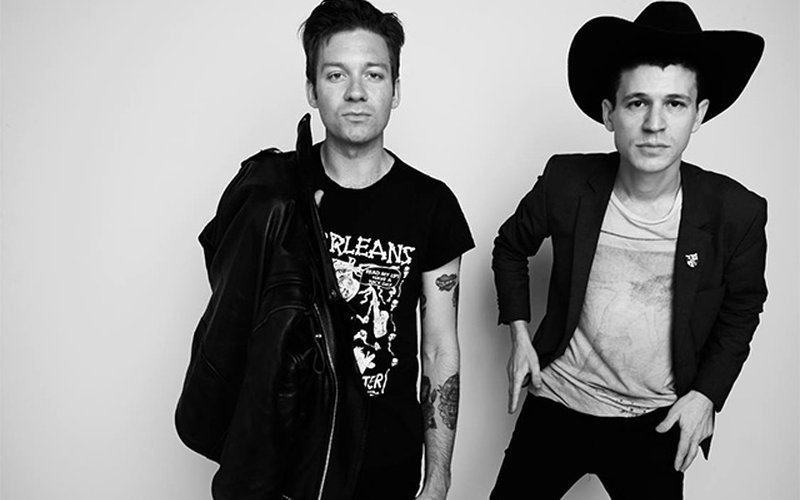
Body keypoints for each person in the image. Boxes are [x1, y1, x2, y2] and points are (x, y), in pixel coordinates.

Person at [175, 1, 473, 499]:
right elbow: (233, 320)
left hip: (388, 463)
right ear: (313, 90)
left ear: (396, 90)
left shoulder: (432, 205)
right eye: (336, 75)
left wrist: (438, 476)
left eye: (374, 74)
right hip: (285, 463)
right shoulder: (272, 195)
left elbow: (440, 348)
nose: (356, 92)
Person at [490, 2, 766, 498]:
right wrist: (519, 334)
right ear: (609, 114)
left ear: (699, 114)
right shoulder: (566, 182)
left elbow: (743, 307)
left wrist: (706, 395)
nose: (655, 123)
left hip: (654, 422)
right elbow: (510, 246)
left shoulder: (736, 212)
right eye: (638, 103)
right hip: (558, 400)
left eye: (675, 104)